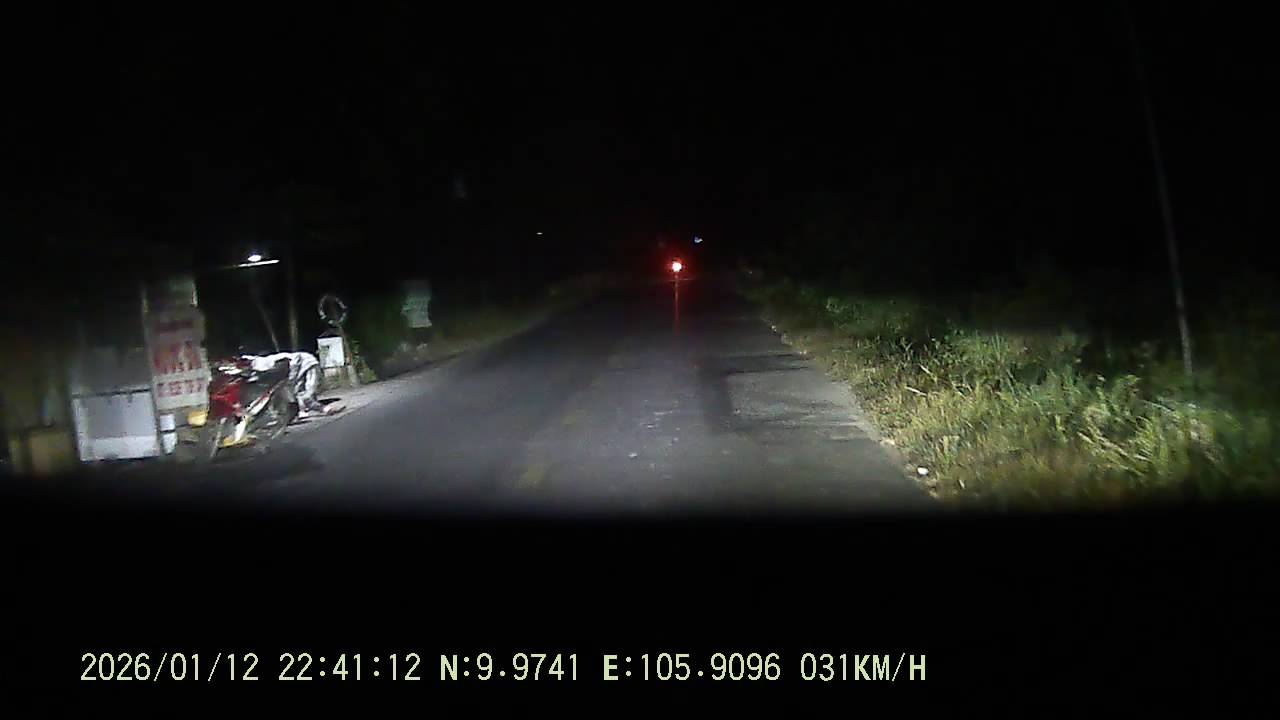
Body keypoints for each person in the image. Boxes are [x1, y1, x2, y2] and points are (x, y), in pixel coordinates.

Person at [243, 351, 328, 418]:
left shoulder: (263, 363)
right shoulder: (258, 367)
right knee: (297, 392)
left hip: (307, 362)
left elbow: (294, 359)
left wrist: (291, 378)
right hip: (296, 367)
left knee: (308, 391)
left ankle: (323, 409)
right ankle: (304, 411)